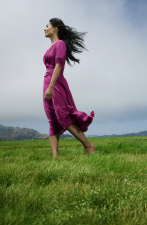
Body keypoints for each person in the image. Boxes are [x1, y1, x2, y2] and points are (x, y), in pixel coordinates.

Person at [43, 18, 95, 157]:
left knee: (63, 116)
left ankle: (88, 145)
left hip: (56, 83)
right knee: (52, 120)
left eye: (47, 26)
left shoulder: (60, 44)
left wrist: (51, 87)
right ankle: (55, 157)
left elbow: (59, 65)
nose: (44, 28)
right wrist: (47, 86)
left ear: (55, 29)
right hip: (47, 82)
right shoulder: (50, 46)